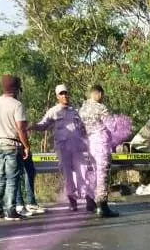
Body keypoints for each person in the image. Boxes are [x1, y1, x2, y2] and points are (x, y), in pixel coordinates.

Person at [31, 84, 89, 211]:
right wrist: (32, 126)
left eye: (66, 93)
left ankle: (88, 198)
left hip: (77, 147)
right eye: (61, 94)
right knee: (67, 174)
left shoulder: (75, 111)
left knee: (83, 172)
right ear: (57, 96)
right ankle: (72, 200)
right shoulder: (53, 111)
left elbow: (84, 129)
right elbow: (43, 125)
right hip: (63, 148)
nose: (64, 96)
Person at [0, 74, 31, 221]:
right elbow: (21, 129)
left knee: (0, 177)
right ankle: (10, 210)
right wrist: (27, 146)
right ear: (16, 89)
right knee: (12, 178)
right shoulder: (17, 105)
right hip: (11, 145)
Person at [79, 85, 119, 218]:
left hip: (88, 144)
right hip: (101, 142)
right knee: (102, 174)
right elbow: (112, 126)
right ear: (99, 94)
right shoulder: (100, 108)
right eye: (102, 95)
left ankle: (90, 202)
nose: (103, 98)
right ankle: (102, 206)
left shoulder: (82, 109)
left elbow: (80, 129)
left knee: (91, 173)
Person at [14, 152, 45, 216]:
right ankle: (20, 205)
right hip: (16, 147)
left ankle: (30, 203)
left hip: (18, 147)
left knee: (29, 171)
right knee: (17, 174)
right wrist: (27, 147)